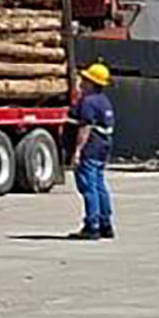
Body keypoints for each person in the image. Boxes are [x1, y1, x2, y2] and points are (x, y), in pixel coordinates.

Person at [69, 61, 115, 240]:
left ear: (92, 82)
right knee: (99, 185)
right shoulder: (104, 101)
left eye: (85, 79)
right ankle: (106, 224)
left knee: (88, 188)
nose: (82, 81)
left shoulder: (88, 102)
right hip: (103, 148)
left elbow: (85, 128)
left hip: (91, 148)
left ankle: (92, 226)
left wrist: (78, 151)